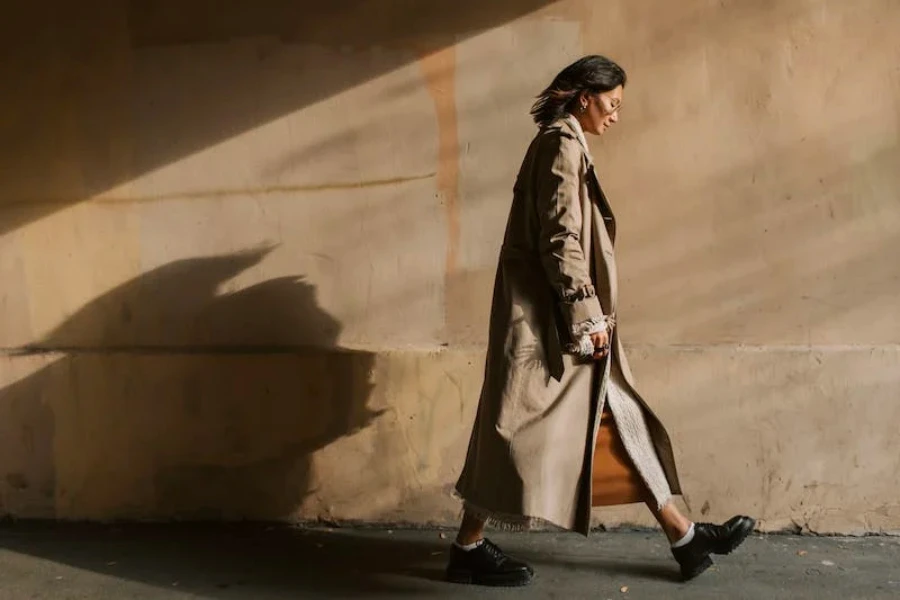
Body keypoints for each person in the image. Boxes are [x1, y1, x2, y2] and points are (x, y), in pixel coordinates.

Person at [446, 55, 755, 586]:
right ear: (585, 97)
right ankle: (468, 547)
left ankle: (685, 537)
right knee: (514, 435)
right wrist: (585, 315)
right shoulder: (561, 146)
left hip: (562, 317)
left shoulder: (564, 144)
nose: (615, 116)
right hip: (553, 322)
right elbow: (561, 238)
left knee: (620, 415)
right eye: (611, 104)